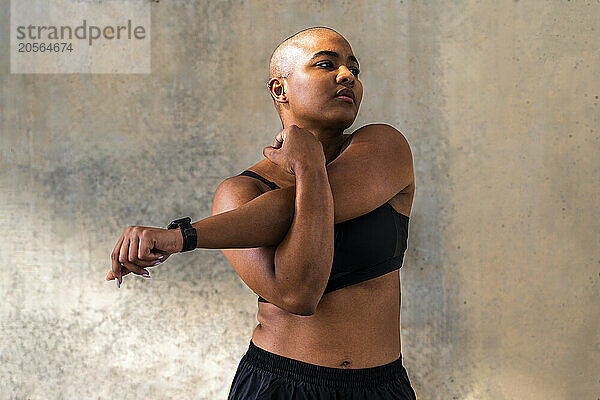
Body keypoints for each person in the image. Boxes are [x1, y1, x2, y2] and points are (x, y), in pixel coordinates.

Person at [106, 26, 417, 399]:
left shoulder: (384, 146)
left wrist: (182, 237)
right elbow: (298, 295)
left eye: (354, 69)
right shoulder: (241, 191)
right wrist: (309, 168)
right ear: (280, 89)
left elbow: (299, 205)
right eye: (325, 64)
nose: (347, 75)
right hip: (279, 385)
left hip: (382, 387)